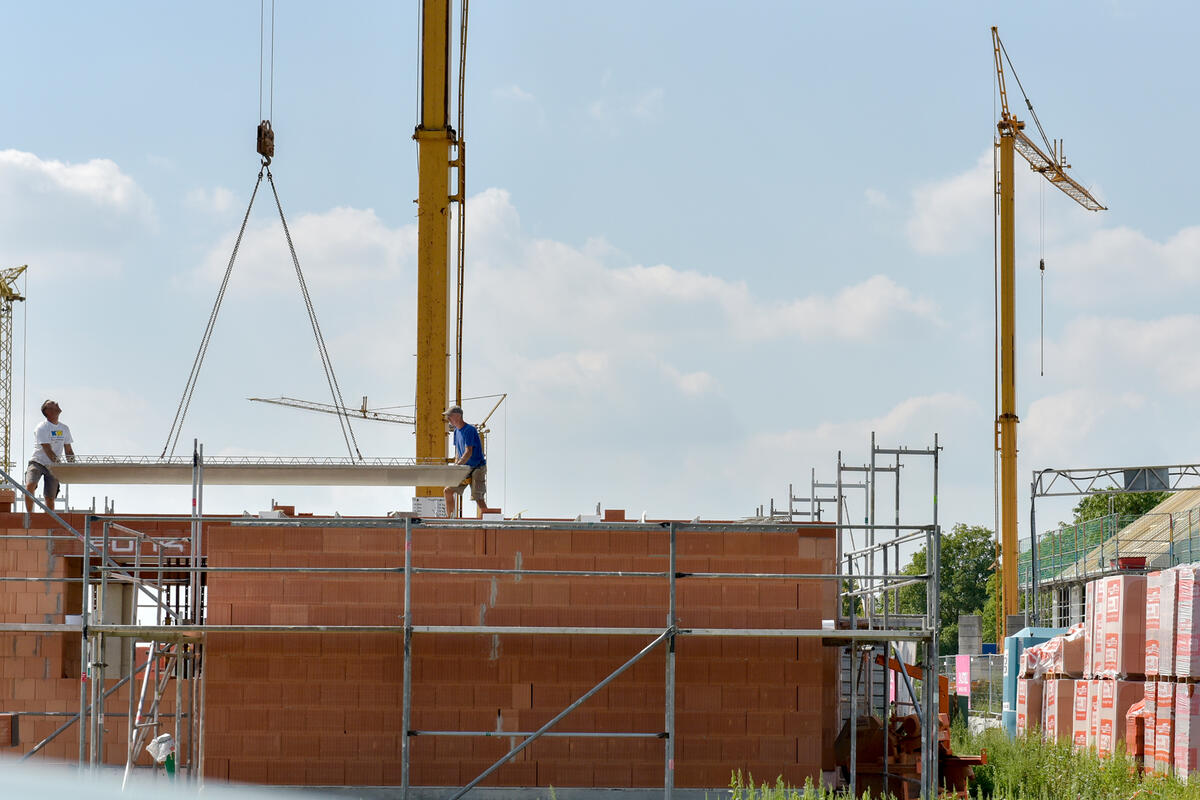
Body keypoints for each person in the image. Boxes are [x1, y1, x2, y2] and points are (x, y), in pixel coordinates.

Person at [25, 399, 74, 513]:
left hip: (53, 465)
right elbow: (47, 449)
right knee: (29, 486)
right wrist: (59, 465)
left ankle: (49, 520)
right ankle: (29, 516)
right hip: (38, 462)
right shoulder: (42, 427)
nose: (57, 404)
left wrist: (72, 467)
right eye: (53, 404)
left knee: (50, 498)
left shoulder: (64, 428)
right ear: (48, 411)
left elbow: (68, 449)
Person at [442, 404, 488, 519]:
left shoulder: (469, 430)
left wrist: (458, 465)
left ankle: (489, 520)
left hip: (477, 468)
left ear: (457, 416)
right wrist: (457, 467)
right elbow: (458, 451)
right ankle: (450, 519)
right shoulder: (457, 431)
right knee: (448, 491)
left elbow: (468, 452)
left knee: (478, 497)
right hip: (465, 468)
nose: (448, 419)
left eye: (449, 416)